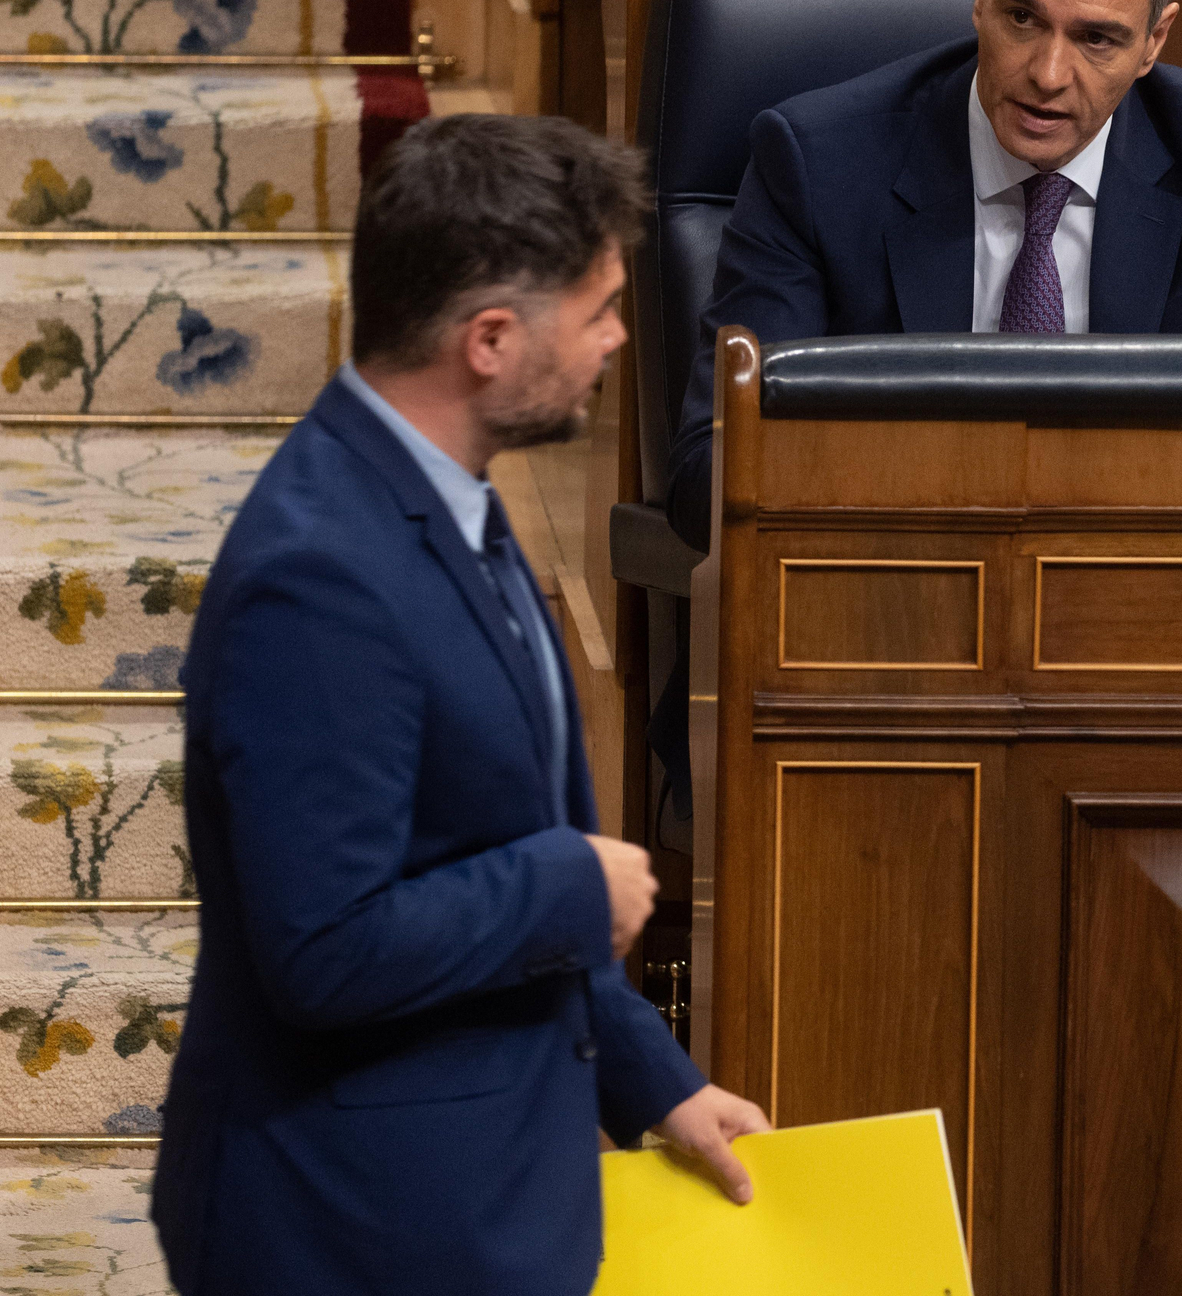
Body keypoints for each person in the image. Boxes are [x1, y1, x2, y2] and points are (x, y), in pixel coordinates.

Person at [153, 115, 770, 1295]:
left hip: (469, 1199)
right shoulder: (319, 577)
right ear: (489, 338)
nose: (617, 338)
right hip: (350, 1226)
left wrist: (658, 1082)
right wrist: (567, 884)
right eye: (595, 309)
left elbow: (490, 835)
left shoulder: (446, 500)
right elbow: (324, 947)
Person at [665, 0, 1182, 548]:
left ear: (1154, 41)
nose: (1047, 73)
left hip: (1135, 583)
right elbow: (711, 470)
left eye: (1096, 39)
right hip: (894, 585)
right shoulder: (816, 162)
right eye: (1022, 18)